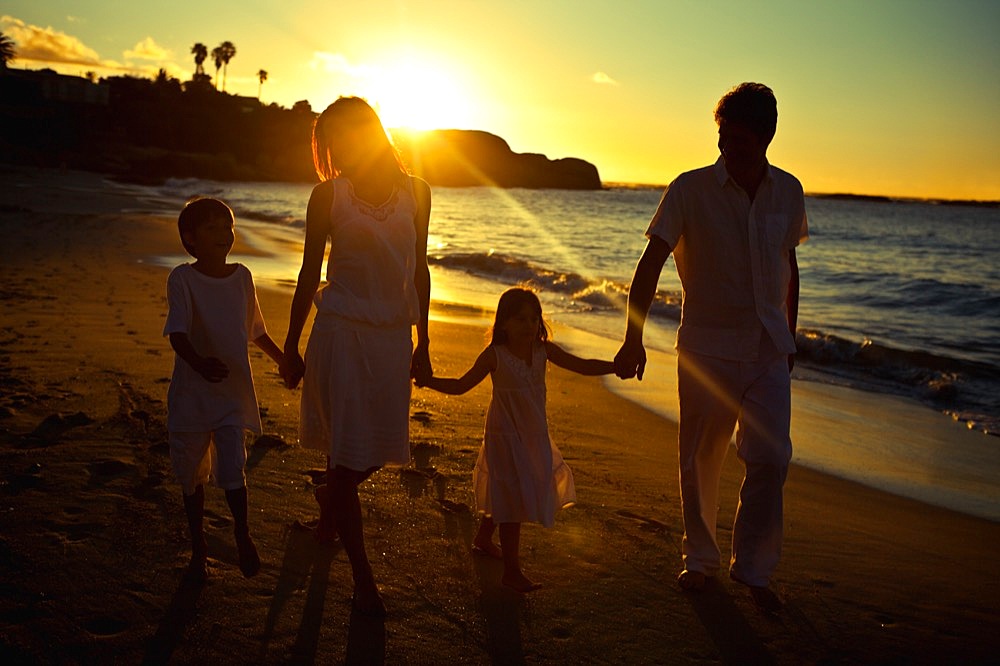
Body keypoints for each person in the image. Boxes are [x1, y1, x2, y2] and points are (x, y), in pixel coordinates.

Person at [614, 82, 808, 612]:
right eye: (722, 136)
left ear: (766, 136)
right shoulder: (689, 189)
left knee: (771, 457)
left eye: (739, 139)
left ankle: (753, 568)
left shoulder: (788, 191)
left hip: (769, 347)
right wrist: (634, 337)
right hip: (707, 346)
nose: (727, 147)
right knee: (701, 458)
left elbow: (788, 265)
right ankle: (699, 560)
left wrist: (790, 334)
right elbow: (652, 260)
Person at [281, 96, 432, 617]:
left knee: (374, 447)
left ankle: (329, 508)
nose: (346, 145)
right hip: (341, 332)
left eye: (354, 132)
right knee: (348, 454)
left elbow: (420, 269)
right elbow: (307, 274)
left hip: (393, 336)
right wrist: (291, 344)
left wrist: (424, 340)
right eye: (335, 137)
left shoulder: (418, 192)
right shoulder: (328, 197)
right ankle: (364, 580)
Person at [416, 287, 614, 592]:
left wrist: (615, 366)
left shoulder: (543, 351)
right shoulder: (496, 355)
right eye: (520, 319)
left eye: (534, 319)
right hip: (504, 435)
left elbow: (582, 365)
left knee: (510, 487)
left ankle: (484, 537)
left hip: (533, 434)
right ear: (503, 322)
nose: (529, 325)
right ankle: (511, 571)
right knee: (512, 495)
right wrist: (428, 382)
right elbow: (460, 385)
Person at [164, 197, 284, 582]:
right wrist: (199, 364)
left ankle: (242, 532)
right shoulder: (182, 278)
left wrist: (284, 361)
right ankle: (198, 544)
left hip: (232, 392)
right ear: (190, 237)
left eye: (228, 227)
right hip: (192, 394)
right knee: (190, 471)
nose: (224, 235)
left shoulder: (242, 276)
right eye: (212, 228)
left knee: (234, 465)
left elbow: (256, 329)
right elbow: (177, 333)